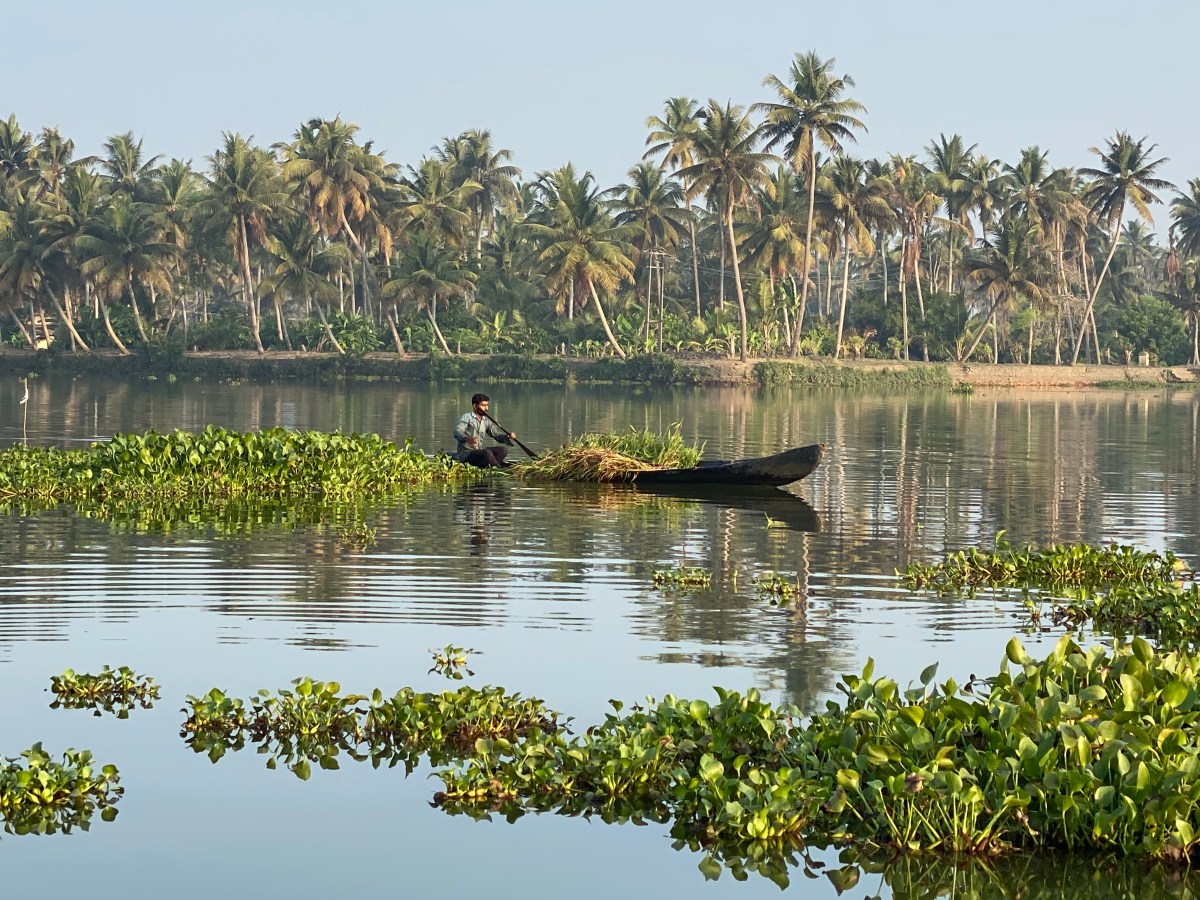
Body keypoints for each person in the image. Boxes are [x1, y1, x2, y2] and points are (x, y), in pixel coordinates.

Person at [453, 393, 517, 468]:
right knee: (487, 453)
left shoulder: (485, 421)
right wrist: (467, 439)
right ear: (475, 406)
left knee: (503, 450)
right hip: (466, 454)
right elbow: (457, 431)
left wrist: (508, 436)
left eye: (487, 405)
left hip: (478, 452)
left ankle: (491, 465)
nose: (487, 409)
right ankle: (498, 467)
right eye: (483, 405)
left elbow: (496, 435)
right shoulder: (467, 418)